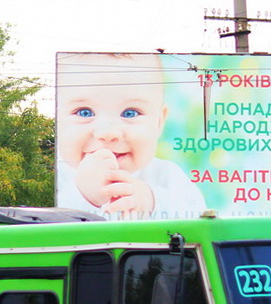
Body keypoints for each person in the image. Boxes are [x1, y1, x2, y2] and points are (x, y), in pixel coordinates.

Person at [56, 52, 207, 220]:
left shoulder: (167, 176)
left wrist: (152, 202)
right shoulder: (57, 177)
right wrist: (81, 195)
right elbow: (42, 231)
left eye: (130, 113)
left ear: (159, 122)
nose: (108, 133)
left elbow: (201, 221)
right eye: (84, 112)